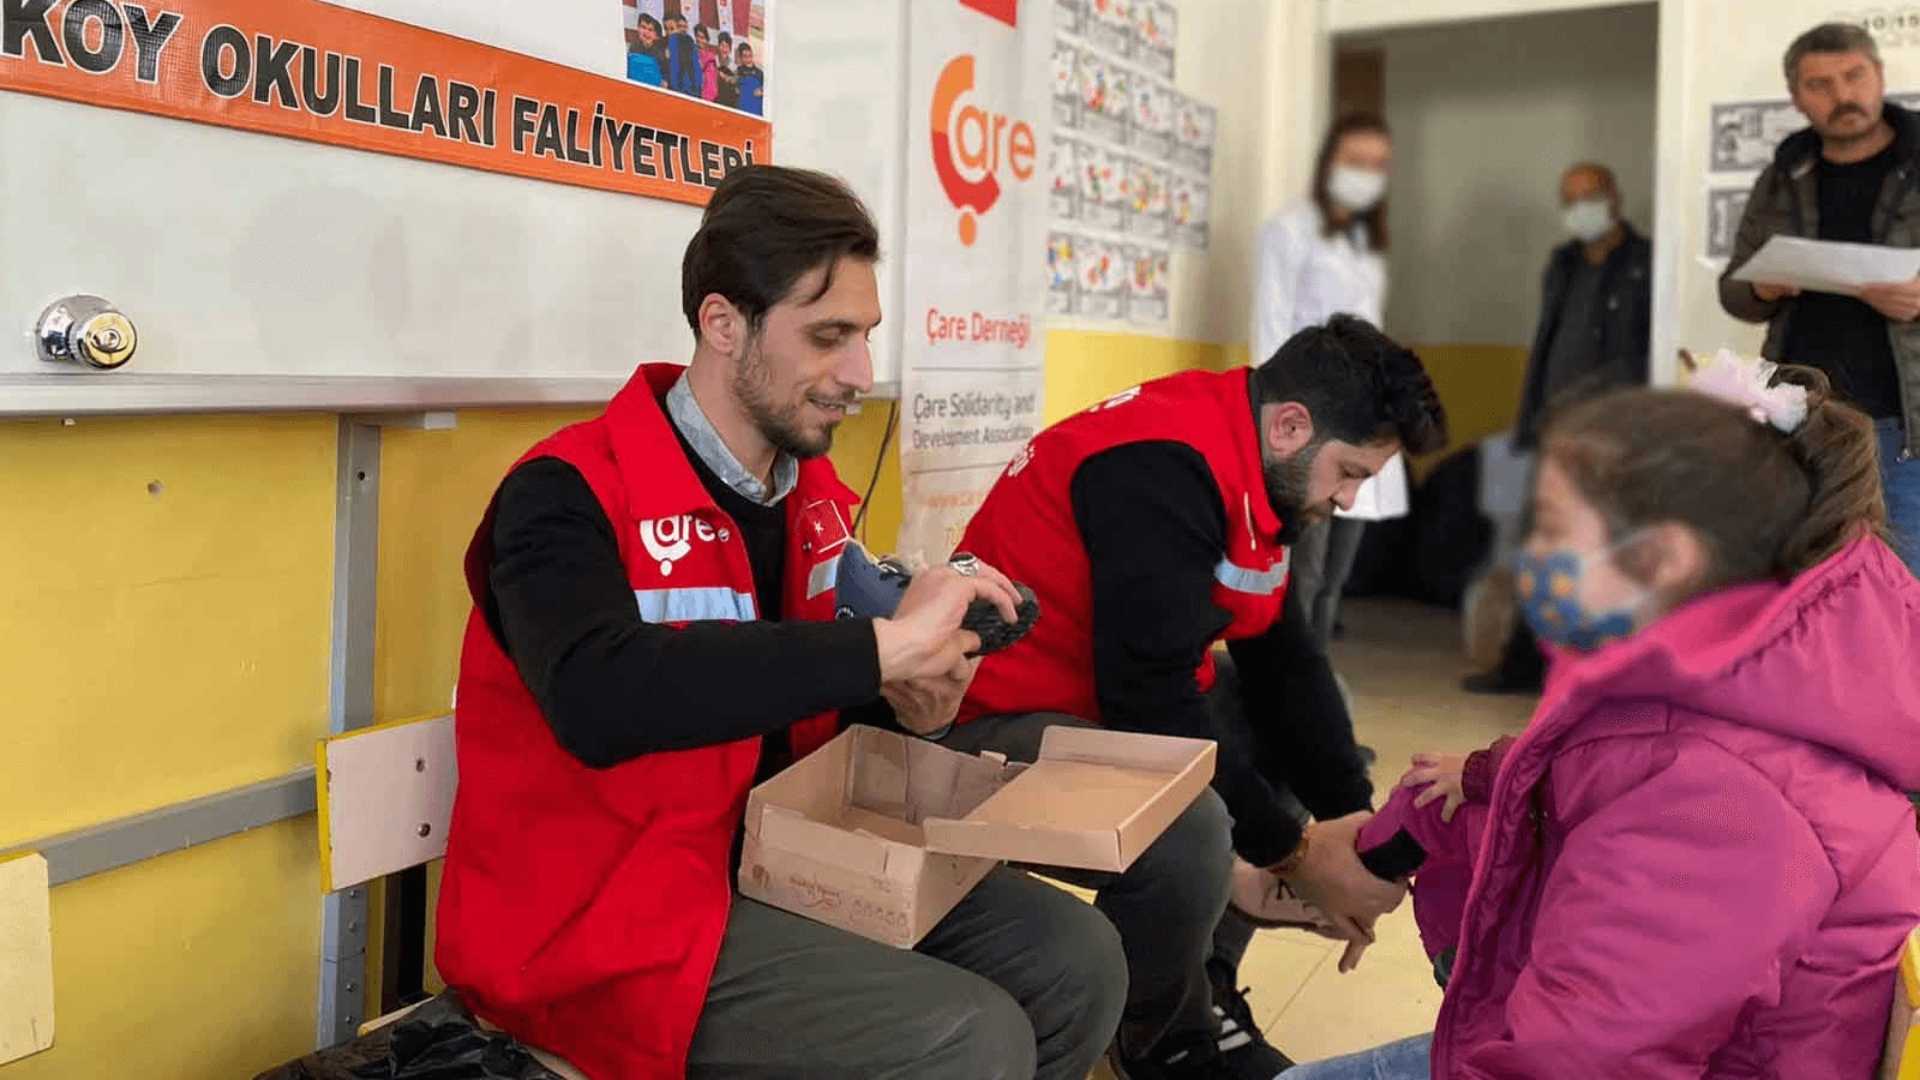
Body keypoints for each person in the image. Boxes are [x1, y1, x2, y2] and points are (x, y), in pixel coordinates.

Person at [434, 166, 1128, 1079]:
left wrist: (915, 700)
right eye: (829, 336)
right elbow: (598, 696)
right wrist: (879, 647)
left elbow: (803, 709)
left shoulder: (816, 502)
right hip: (603, 922)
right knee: (969, 1039)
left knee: (1077, 961)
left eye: (867, 336)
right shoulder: (565, 492)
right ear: (724, 324)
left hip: (771, 860)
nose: (861, 374)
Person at [1285, 353, 1920, 1078]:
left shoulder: (1719, 804)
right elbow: (1608, 758)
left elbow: (1579, 1060)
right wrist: (1420, 814)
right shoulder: (1759, 677)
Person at [953, 315, 1448, 1079]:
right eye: (1349, 472)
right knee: (1194, 823)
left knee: (1279, 723)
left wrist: (1352, 819)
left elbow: (1284, 660)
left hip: (1090, 703)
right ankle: (1155, 1039)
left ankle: (1200, 974)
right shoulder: (1158, 466)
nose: (1349, 500)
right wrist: (1296, 852)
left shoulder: (1252, 458)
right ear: (1291, 425)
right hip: (986, 724)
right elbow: (1148, 705)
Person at [1721, 22, 1920, 575]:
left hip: (1907, 430)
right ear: (1797, 97)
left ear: (1879, 75)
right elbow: (1734, 290)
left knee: (1906, 589)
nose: (1842, 96)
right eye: (1820, 85)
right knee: (1807, 582)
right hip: (1803, 420)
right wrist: (1761, 285)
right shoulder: (1782, 176)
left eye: (1854, 76)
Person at [1465, 162, 1652, 695]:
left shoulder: (1644, 262)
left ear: (1614, 196)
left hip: (1613, 434)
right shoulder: (1563, 263)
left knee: (1604, 550)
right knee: (1538, 546)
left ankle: (1593, 673)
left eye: (1589, 195)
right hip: (1553, 428)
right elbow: (1547, 343)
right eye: (1569, 198)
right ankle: (1522, 666)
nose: (1580, 208)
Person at [1251, 114, 1407, 651]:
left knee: (1336, 580)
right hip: (1312, 422)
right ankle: (1290, 686)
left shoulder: (1365, 240)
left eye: (1378, 165)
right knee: (1304, 572)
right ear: (1328, 164)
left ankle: (1315, 681)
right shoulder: (1288, 229)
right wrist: (1274, 424)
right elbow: (1270, 329)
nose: (1367, 175)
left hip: (1368, 418)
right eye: (1355, 162)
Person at [664, 12, 702, 98]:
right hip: (689, 91)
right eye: (680, 26)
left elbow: (675, 67)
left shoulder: (686, 42)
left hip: (682, 90)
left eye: (685, 27)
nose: (683, 30)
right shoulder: (688, 42)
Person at [625, 12, 667, 88]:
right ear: (638, 28)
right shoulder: (632, 48)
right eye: (643, 27)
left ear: (656, 36)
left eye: (650, 30)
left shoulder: (662, 54)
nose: (646, 32)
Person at [735, 42, 765, 117]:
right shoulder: (738, 72)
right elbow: (735, 88)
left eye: (750, 56)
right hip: (742, 112)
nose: (748, 59)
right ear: (741, 58)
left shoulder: (759, 73)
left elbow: (768, 90)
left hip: (756, 113)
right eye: (745, 56)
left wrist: (762, 90)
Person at [692, 23, 720, 102]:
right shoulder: (691, 51)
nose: (699, 40)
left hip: (703, 97)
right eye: (697, 36)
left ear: (707, 40)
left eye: (702, 37)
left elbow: (710, 84)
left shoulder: (710, 58)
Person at [715, 31, 740, 109]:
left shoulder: (733, 67)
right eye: (722, 45)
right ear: (718, 46)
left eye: (727, 46)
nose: (724, 49)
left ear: (730, 49)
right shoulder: (713, 61)